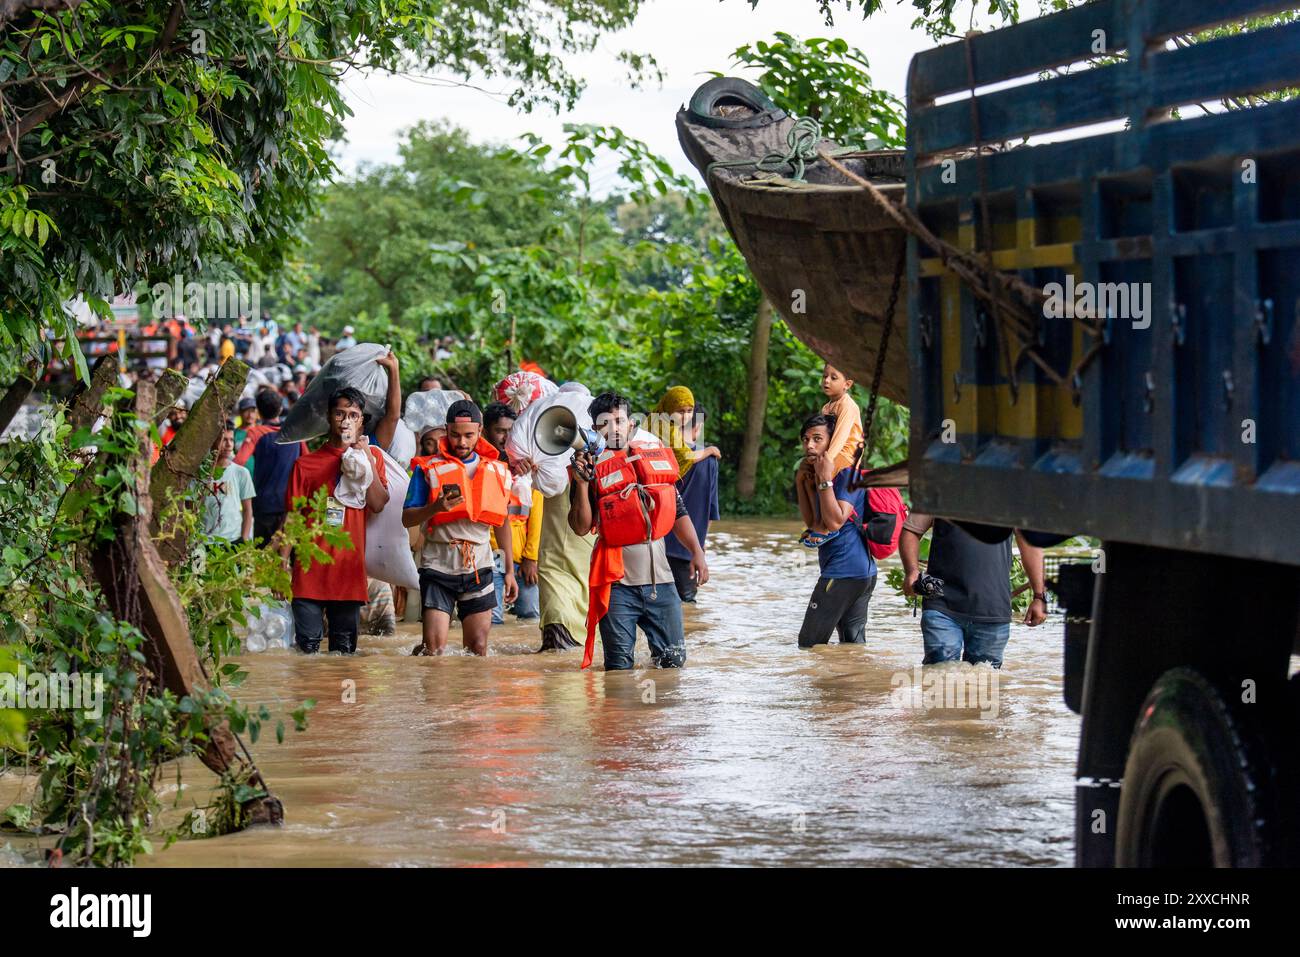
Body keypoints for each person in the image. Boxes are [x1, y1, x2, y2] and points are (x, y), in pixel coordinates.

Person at [569, 392, 708, 670]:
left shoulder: (652, 456)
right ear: (594, 429)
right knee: (618, 670)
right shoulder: (587, 466)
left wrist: (697, 552)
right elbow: (581, 526)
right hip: (618, 586)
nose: (614, 428)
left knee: (672, 665)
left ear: (631, 424)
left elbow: (677, 510)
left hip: (662, 582)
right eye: (604, 424)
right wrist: (582, 484)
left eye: (619, 421)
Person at [402, 399, 515, 656]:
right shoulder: (427, 469)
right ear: (446, 430)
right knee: (434, 651)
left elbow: (502, 521)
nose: (461, 442)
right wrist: (435, 508)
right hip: (437, 565)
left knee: (477, 650)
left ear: (480, 431)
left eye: (468, 436)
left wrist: (509, 570)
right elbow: (406, 519)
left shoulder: (497, 469)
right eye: (454, 435)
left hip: (479, 566)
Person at [282, 387, 389, 654]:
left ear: (362, 421)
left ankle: (342, 698)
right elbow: (292, 518)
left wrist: (365, 459)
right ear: (329, 417)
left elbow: (378, 503)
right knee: (307, 653)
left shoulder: (372, 458)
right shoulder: (305, 465)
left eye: (353, 415)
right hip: (308, 574)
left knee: (343, 657)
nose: (345, 421)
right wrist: (281, 564)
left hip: (348, 574)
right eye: (340, 413)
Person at [899, 514, 1048, 668]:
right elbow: (911, 531)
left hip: (992, 608)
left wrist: (1039, 596)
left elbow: (1031, 545)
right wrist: (912, 571)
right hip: (941, 602)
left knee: (984, 682)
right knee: (939, 671)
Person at [793, 413, 877, 647]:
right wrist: (802, 480)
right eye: (806, 439)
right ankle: (849, 683)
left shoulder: (847, 474)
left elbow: (835, 521)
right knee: (852, 647)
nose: (809, 445)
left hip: (845, 572)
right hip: (860, 573)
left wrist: (823, 479)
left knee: (809, 644)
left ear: (835, 442)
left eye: (817, 439)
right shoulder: (821, 474)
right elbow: (813, 522)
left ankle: (821, 685)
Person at [482, 403, 542, 624]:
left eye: (511, 431)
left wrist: (531, 557)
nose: (506, 437)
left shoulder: (528, 466)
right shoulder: (481, 465)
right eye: (500, 431)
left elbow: (537, 514)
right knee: (492, 619)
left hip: (522, 556)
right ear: (485, 432)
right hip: (489, 555)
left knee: (530, 616)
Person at [665, 403, 720, 603]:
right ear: (698, 427)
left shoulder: (661, 452)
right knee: (687, 606)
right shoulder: (710, 460)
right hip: (688, 548)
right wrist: (699, 548)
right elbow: (710, 511)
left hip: (655, 544)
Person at [241, 388, 304, 544]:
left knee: (264, 560)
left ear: (259, 413)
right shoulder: (294, 432)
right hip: (291, 506)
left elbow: (239, 461)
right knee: (287, 558)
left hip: (264, 506)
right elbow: (307, 460)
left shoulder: (257, 432)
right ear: (281, 408)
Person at [199, 422, 256, 542]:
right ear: (212, 441)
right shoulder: (200, 473)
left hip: (232, 540)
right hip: (203, 541)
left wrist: (243, 539)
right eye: (223, 440)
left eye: (231, 440)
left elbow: (247, 510)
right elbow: (189, 508)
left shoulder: (241, 472)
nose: (229, 445)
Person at [648, 385, 720, 478]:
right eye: (680, 412)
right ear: (670, 408)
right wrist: (710, 450)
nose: (686, 417)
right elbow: (687, 456)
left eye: (690, 411)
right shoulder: (665, 427)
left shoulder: (655, 418)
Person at [819, 363, 863, 473]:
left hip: (846, 456)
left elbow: (840, 437)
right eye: (825, 376)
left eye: (833, 378)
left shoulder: (847, 405)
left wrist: (827, 460)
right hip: (831, 453)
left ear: (847, 385)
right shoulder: (826, 408)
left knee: (820, 477)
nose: (827, 381)